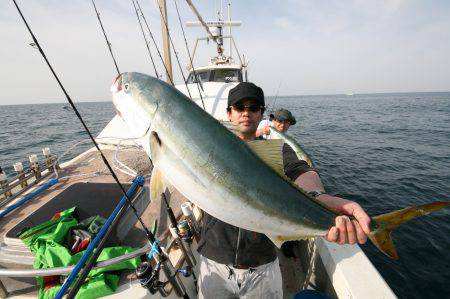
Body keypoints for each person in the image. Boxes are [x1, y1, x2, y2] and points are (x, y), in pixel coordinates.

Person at [197, 82, 371, 299]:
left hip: (261, 266)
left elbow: (301, 170)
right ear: (229, 113)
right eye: (239, 107)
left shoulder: (277, 150)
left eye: (254, 108)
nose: (246, 113)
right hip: (214, 260)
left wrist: (317, 196)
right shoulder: (211, 145)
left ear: (261, 113)